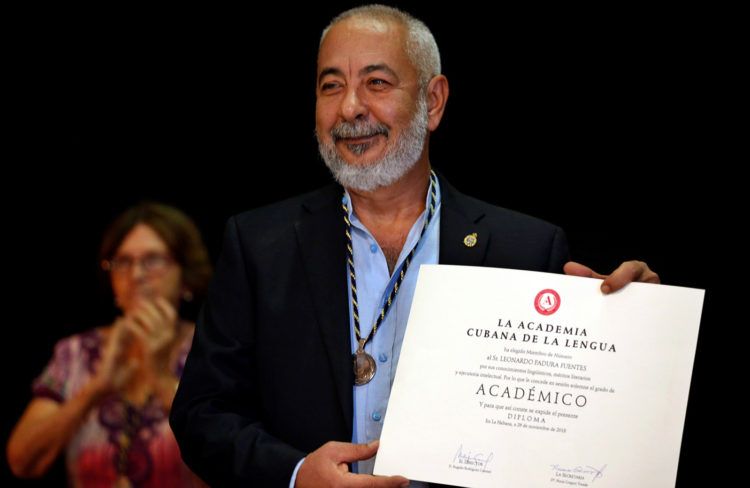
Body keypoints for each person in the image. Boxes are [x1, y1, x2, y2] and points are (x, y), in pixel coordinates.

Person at [170, 5, 660, 487]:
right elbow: (202, 416)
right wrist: (295, 475)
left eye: (376, 83)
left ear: (434, 101)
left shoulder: (525, 249)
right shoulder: (259, 245)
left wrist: (634, 322)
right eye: (331, 85)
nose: (350, 107)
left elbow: (575, 430)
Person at [7, 202, 212, 487]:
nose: (136, 275)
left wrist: (162, 378)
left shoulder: (212, 349)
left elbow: (228, 466)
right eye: (123, 262)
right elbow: (22, 461)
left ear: (185, 276)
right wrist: (97, 387)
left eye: (152, 260)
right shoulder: (77, 352)